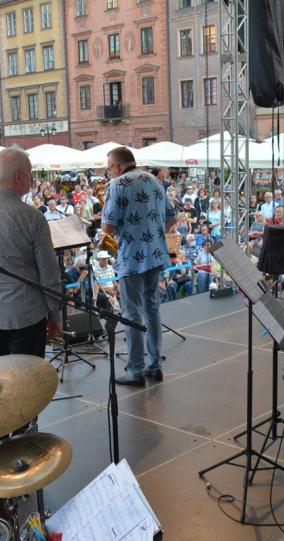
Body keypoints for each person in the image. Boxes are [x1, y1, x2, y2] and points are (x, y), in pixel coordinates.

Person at [0, 148, 62, 359]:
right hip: (26, 316)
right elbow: (48, 274)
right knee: (28, 383)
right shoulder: (32, 217)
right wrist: (55, 313)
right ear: (18, 177)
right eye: (30, 173)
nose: (32, 179)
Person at [101, 146, 177, 386]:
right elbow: (172, 217)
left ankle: (136, 369)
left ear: (116, 166)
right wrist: (153, 235)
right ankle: (155, 366)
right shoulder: (155, 180)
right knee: (152, 309)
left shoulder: (117, 184)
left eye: (109, 169)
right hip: (155, 254)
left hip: (131, 257)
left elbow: (108, 228)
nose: (110, 173)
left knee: (131, 312)